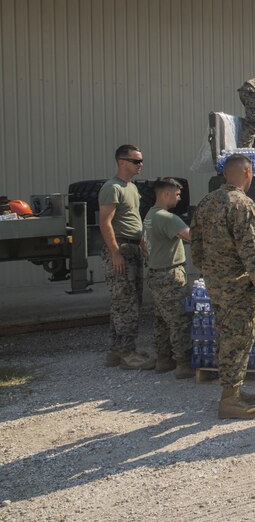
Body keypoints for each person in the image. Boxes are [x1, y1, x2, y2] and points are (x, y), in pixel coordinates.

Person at [190, 154, 255, 420]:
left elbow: (195, 245)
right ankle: (229, 399)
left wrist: (210, 271)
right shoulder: (242, 203)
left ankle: (233, 390)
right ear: (248, 173)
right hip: (238, 286)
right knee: (238, 340)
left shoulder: (206, 202)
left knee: (226, 336)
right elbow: (253, 252)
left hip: (215, 283)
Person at [99, 144, 155, 370]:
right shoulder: (112, 188)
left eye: (141, 161)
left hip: (132, 249)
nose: (140, 165)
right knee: (126, 305)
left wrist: (142, 244)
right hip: (120, 250)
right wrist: (115, 253)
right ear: (122, 162)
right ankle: (127, 353)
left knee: (129, 302)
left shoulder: (131, 188)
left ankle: (116, 351)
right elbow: (105, 222)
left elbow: (135, 221)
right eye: (136, 161)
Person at [143, 178, 195, 379]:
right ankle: (184, 363)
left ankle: (164, 358)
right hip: (170, 274)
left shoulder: (150, 215)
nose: (179, 197)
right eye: (177, 194)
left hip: (156, 272)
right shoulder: (168, 218)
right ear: (166, 194)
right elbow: (192, 236)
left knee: (162, 320)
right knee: (179, 319)